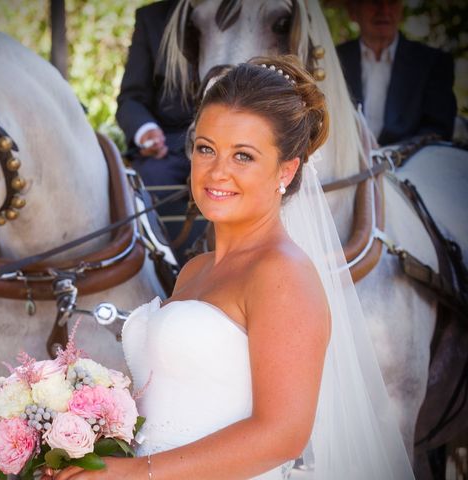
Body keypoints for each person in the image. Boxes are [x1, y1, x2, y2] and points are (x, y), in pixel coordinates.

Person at [50, 56, 414, 480]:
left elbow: (282, 435)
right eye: (206, 148)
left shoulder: (283, 274)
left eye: (243, 156)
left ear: (287, 169)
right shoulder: (195, 270)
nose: (217, 171)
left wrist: (135, 473)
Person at [116, 0, 200, 259]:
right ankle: (167, 269)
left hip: (233, 140)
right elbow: (131, 98)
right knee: (148, 179)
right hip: (170, 144)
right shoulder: (151, 18)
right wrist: (146, 130)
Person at [337, 0, 456, 145]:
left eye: (392, 2)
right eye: (375, 2)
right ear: (353, 11)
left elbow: (438, 129)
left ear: (401, 10)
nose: (384, 10)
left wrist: (393, 157)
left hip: (411, 163)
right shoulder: (334, 58)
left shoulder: (432, 62)